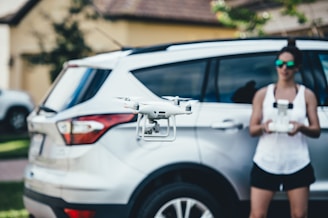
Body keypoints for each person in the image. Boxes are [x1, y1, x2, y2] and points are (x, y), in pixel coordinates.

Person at [248, 39, 321, 218]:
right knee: (257, 215)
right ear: (276, 66)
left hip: (297, 162)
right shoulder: (263, 94)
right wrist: (264, 127)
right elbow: (252, 129)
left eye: (289, 64)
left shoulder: (306, 94)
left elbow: (316, 130)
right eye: (280, 63)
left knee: (299, 215)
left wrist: (301, 127)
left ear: (297, 67)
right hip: (266, 161)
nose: (284, 68)